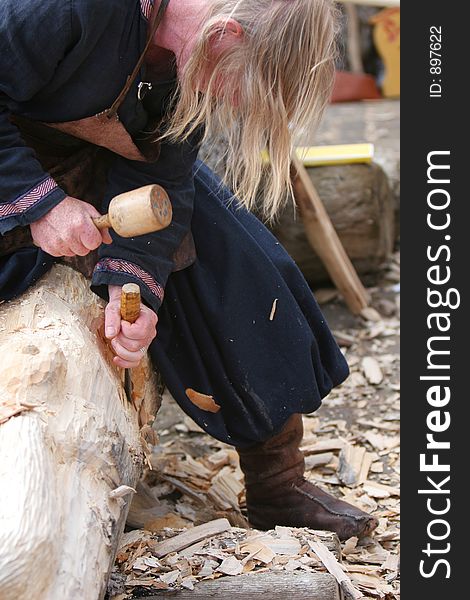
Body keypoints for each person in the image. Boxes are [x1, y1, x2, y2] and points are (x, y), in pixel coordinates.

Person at [0, 0, 378, 540]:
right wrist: (39, 205)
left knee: (236, 257)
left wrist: (134, 283)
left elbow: (162, 177)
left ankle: (278, 480)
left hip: (84, 170)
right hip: (8, 168)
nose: (220, 100)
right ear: (221, 34)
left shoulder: (187, 55)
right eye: (231, 86)